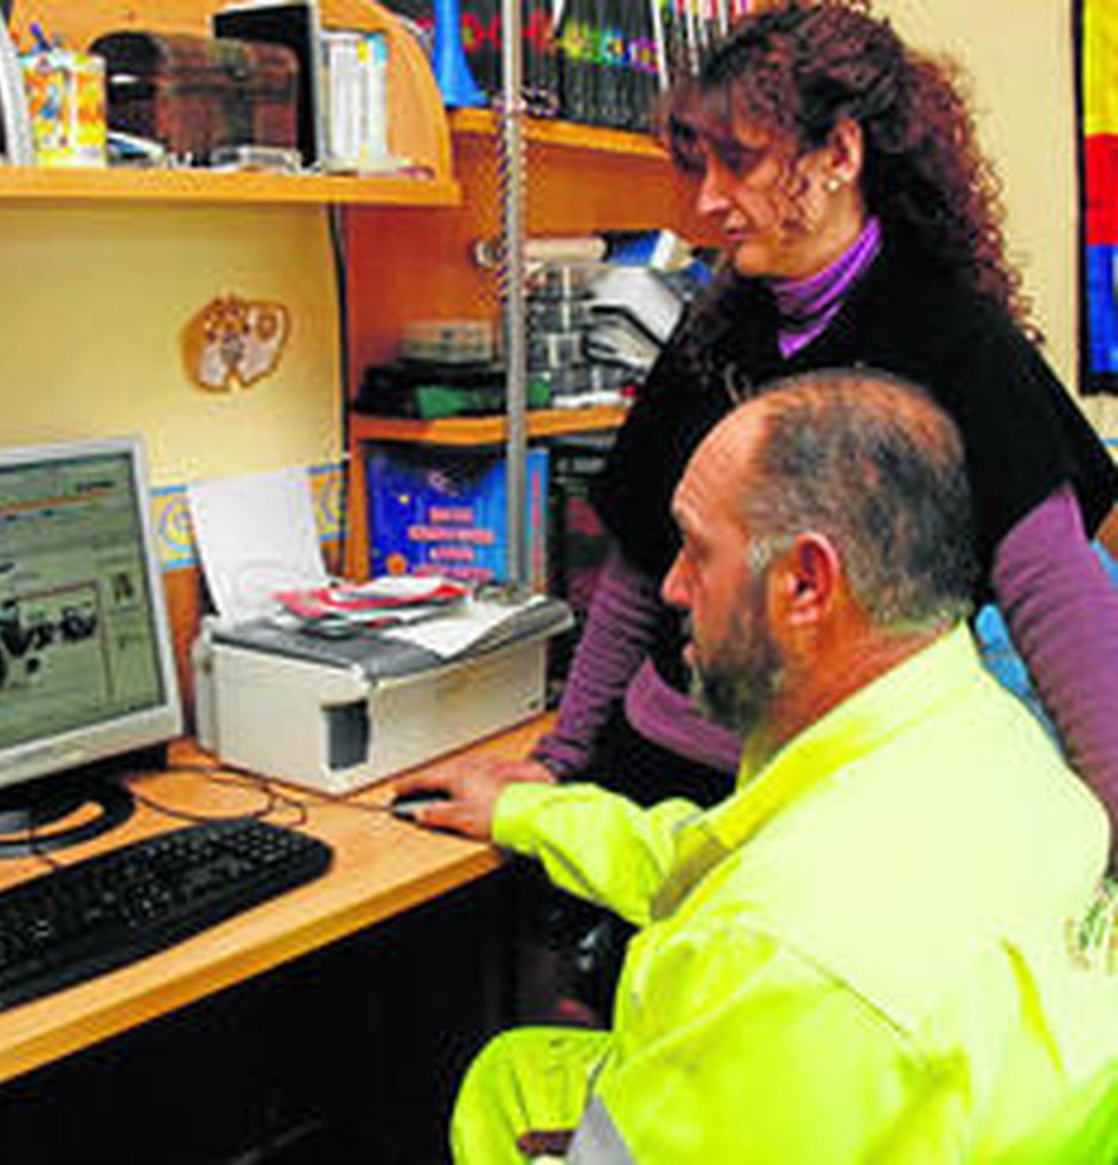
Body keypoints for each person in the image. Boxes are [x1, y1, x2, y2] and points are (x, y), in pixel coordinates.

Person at [460, 0, 1118, 859]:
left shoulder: (958, 344)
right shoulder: (713, 328)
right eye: (700, 166)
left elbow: (1059, 600)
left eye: (739, 164)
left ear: (840, 153)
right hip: (660, 769)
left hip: (839, 805)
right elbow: (635, 569)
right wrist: (560, 762)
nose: (707, 201)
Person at [403, 371, 1117, 1162]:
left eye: (697, 551)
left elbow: (765, 925)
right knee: (513, 1072)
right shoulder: (999, 751)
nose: (671, 586)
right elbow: (721, 862)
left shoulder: (777, 957)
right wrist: (527, 810)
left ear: (807, 582)